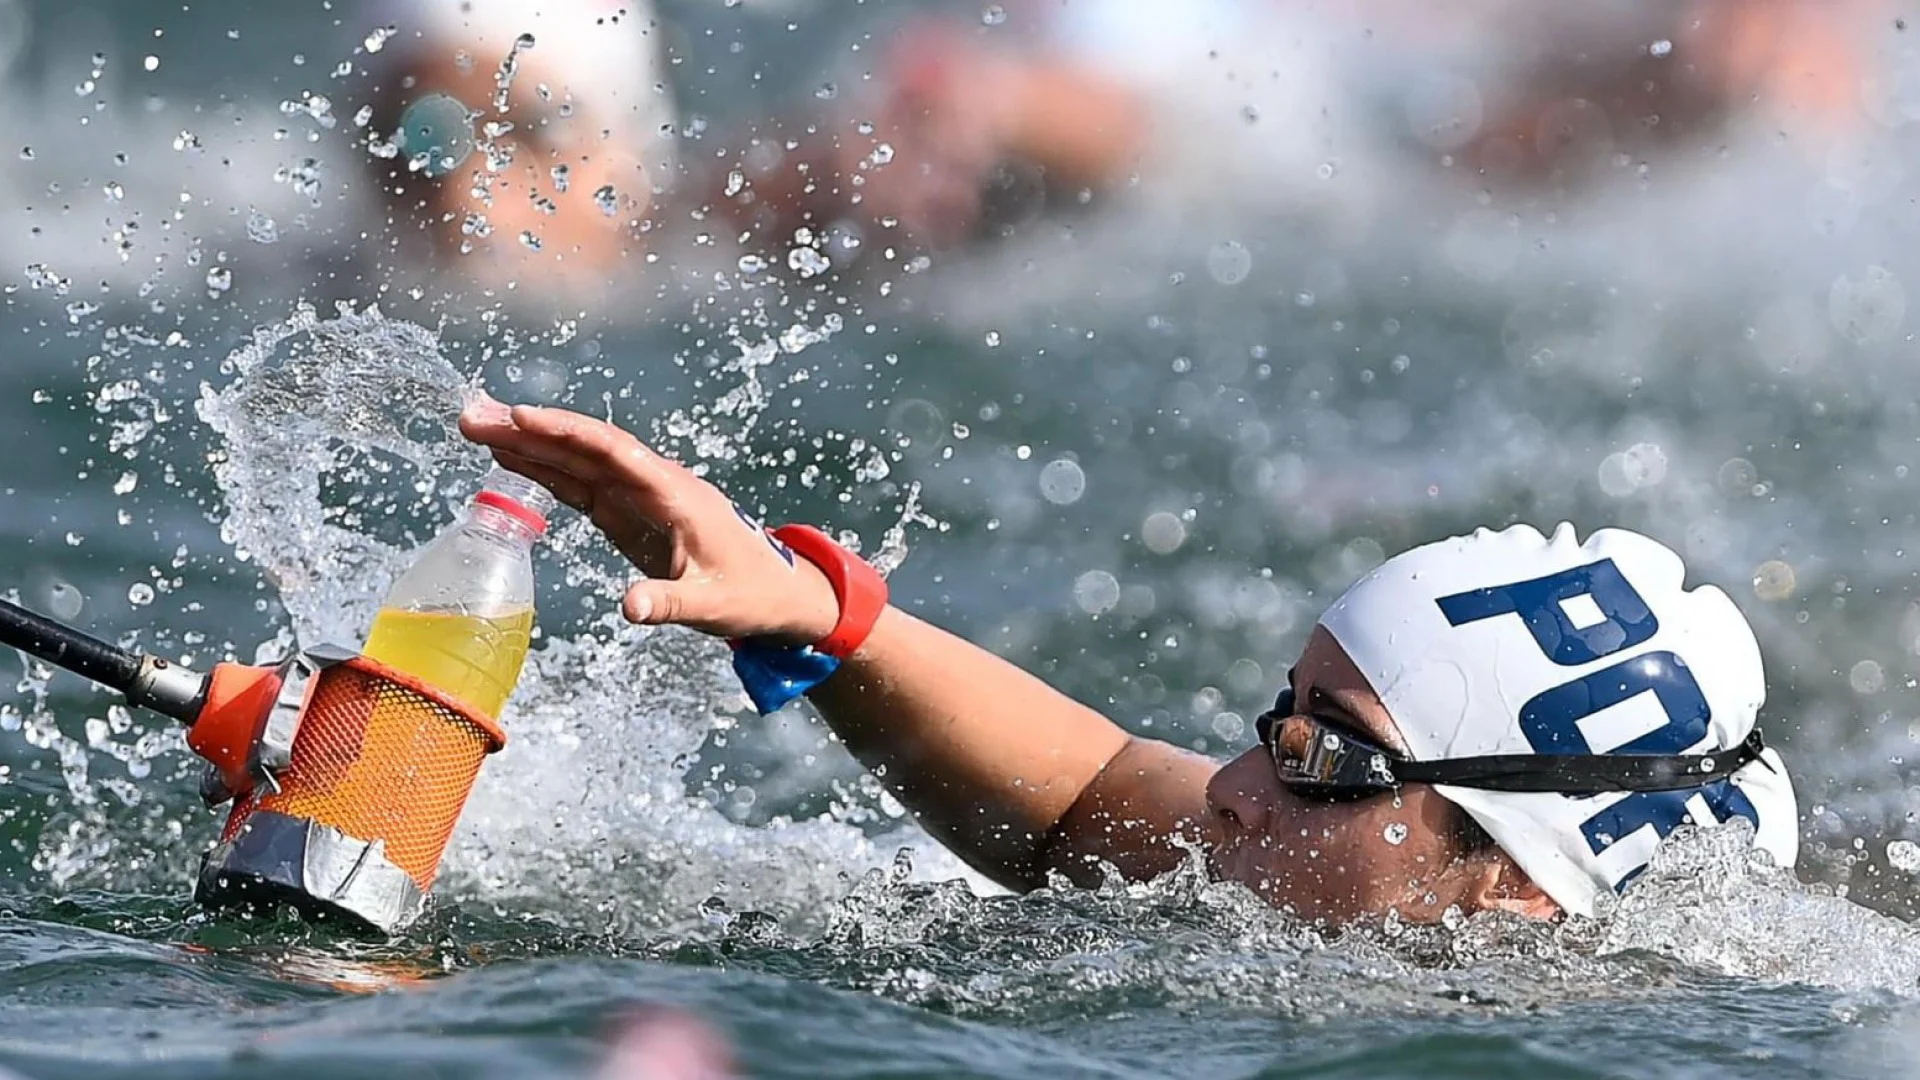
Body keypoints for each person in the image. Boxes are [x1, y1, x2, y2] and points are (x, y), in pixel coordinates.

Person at [457, 397, 1799, 924]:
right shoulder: (1371, 889)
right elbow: (1085, 795)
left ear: (1512, 889)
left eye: (1324, 758)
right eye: (1278, 725)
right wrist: (808, 608)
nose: (1228, 788)